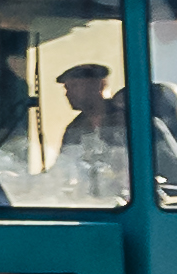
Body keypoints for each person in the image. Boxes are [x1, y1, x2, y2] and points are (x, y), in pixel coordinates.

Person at [44, 61, 134, 202]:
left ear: (98, 86)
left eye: (74, 86)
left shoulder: (131, 122)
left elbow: (166, 164)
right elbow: (63, 167)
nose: (67, 94)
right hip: (89, 203)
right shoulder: (74, 128)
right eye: (67, 89)